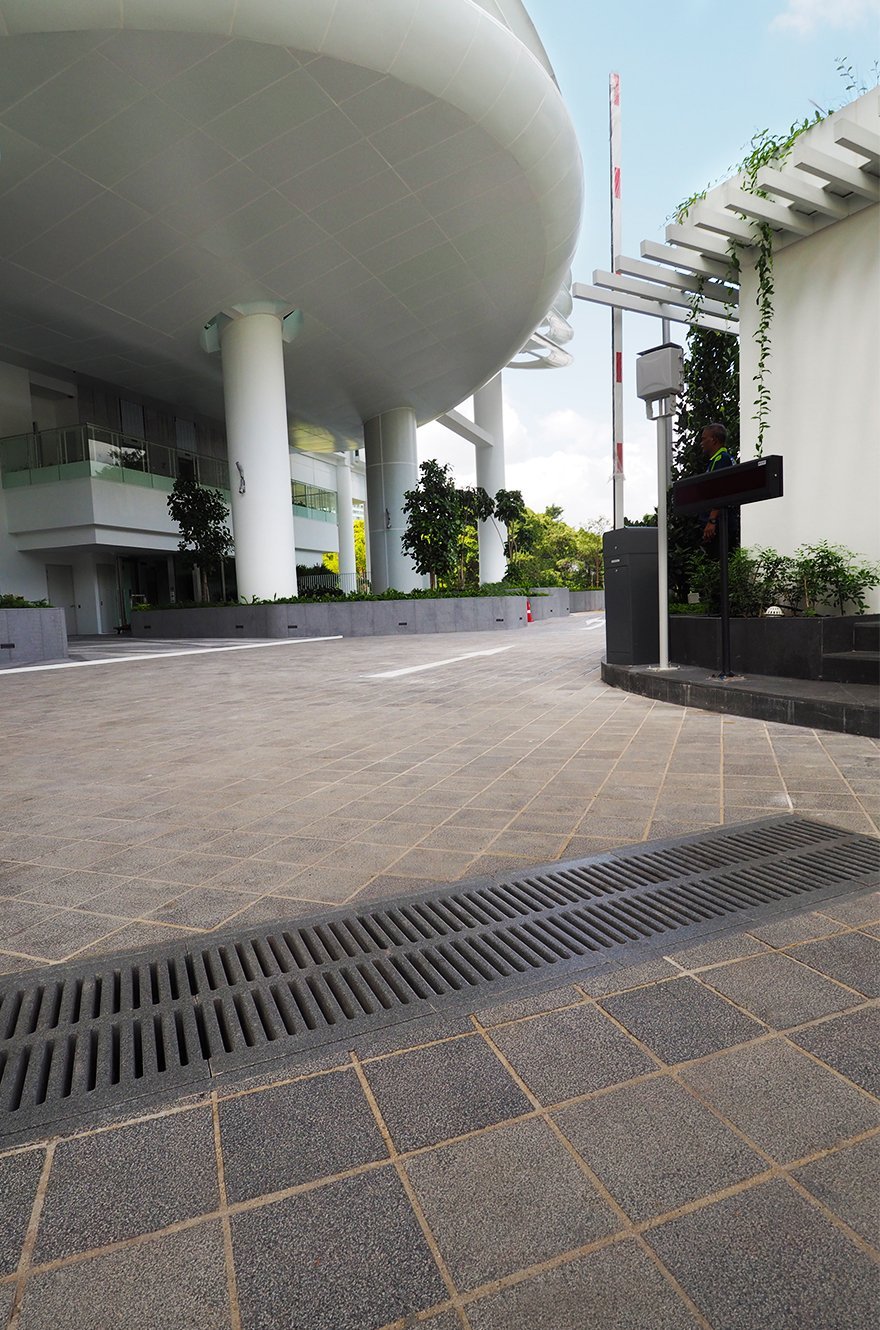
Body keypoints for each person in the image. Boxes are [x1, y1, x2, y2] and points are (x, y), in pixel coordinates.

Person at [699, 422, 740, 557]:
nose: (701, 443)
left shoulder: (722, 460)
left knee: (720, 561)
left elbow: (721, 490)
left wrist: (712, 521)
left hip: (721, 524)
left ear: (714, 440)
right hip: (721, 523)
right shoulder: (719, 460)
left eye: (704, 439)